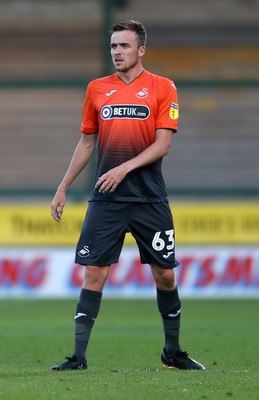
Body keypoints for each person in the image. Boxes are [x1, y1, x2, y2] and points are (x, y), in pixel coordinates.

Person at [50, 20, 205, 371]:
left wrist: (123, 168)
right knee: (94, 274)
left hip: (149, 198)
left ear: (141, 50)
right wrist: (63, 186)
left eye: (124, 46)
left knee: (165, 275)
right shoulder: (96, 89)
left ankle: (172, 351)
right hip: (106, 200)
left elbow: (163, 144)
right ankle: (78, 357)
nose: (117, 52)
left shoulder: (163, 87)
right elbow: (88, 141)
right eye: (113, 47)